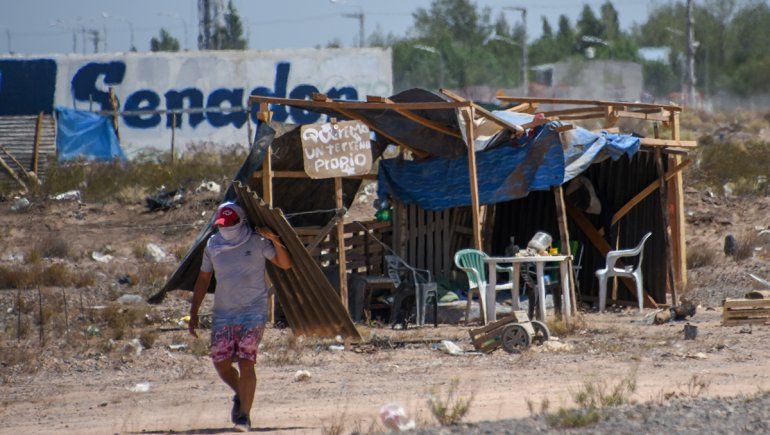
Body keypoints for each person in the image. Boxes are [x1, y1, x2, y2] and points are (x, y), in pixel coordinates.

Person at [188, 202, 292, 432]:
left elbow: (285, 264)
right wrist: (193, 312)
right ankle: (241, 395)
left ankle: (243, 417)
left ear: (241, 220)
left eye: (231, 223)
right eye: (222, 224)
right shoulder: (213, 245)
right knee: (221, 364)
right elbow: (204, 280)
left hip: (253, 312)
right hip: (224, 313)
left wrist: (274, 238)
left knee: (247, 362)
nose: (227, 228)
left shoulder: (257, 241)